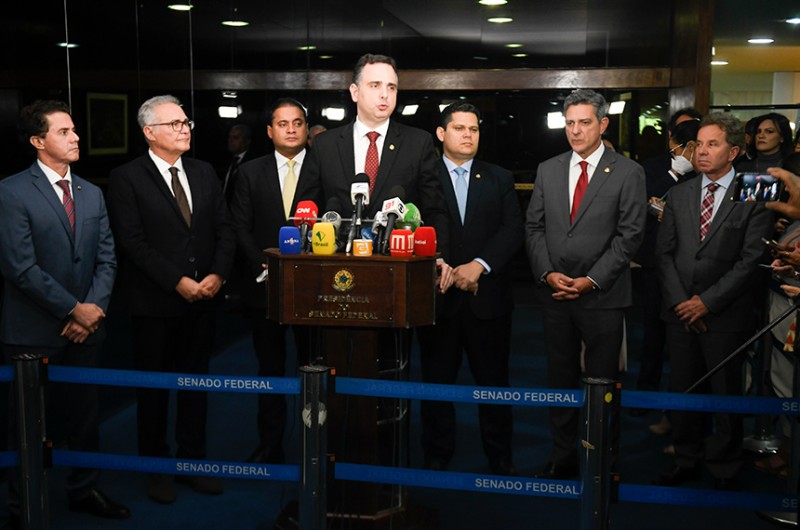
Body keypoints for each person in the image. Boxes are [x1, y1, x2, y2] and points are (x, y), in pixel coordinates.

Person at [0, 100, 129, 522]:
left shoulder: (91, 192)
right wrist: (75, 309)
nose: (76, 138)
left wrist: (91, 311)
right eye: (64, 132)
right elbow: (20, 267)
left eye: (74, 130)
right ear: (38, 142)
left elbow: (107, 259)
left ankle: (84, 489)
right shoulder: (11, 191)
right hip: (33, 330)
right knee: (25, 425)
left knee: (85, 419)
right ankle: (22, 505)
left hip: (87, 329)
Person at [107, 95, 235, 504]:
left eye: (186, 123)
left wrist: (217, 274)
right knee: (155, 391)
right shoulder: (127, 177)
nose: (185, 129)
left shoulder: (204, 170)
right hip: (155, 303)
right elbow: (132, 242)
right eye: (175, 124)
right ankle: (157, 470)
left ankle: (193, 463)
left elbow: (224, 228)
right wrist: (176, 280)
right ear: (150, 133)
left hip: (204, 300)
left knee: (196, 387)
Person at [525, 89, 647, 479]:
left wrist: (591, 280)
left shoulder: (628, 171)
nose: (575, 131)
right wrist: (547, 273)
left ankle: (601, 462)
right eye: (570, 123)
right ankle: (563, 456)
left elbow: (630, 235)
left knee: (602, 384)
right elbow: (534, 227)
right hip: (556, 294)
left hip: (604, 297)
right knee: (559, 381)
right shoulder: (548, 168)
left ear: (603, 124)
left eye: (585, 122)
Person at [653, 112, 773, 490]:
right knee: (684, 389)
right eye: (699, 144)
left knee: (725, 392)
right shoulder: (683, 190)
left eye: (712, 144)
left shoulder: (756, 187)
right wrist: (682, 302)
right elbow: (664, 254)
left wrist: (706, 303)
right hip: (680, 311)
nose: (702, 152)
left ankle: (724, 465)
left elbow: (751, 260)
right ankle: (685, 458)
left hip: (725, 313)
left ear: (734, 150)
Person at [416, 102, 523, 476]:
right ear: (441, 134)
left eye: (474, 129)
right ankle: (437, 453)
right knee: (436, 384)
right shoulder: (422, 178)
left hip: (487, 299)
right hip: (438, 299)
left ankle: (499, 455)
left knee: (495, 383)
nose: (467, 135)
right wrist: (439, 263)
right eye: (459, 128)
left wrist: (479, 266)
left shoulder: (499, 177)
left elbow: (512, 230)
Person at [297, 53, 452, 285]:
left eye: (391, 87)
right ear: (355, 92)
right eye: (375, 85)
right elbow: (305, 209)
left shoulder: (418, 143)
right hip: (333, 270)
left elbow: (434, 210)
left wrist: (439, 256)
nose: (384, 94)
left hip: (398, 272)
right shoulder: (324, 144)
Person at [229, 97, 311, 464]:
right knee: (270, 371)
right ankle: (271, 444)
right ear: (269, 131)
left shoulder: (324, 168)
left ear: (306, 129)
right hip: (265, 287)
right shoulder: (251, 172)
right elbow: (239, 227)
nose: (291, 129)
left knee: (315, 368)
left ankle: (315, 444)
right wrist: (265, 265)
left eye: (297, 123)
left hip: (314, 289)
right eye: (283, 123)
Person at [632, 119, 700, 405]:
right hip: (654, 261)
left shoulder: (704, 173)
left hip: (690, 262)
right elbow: (643, 201)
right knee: (653, 330)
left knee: (685, 336)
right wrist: (673, 174)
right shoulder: (653, 166)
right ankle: (646, 393)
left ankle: (678, 406)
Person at [220, 123, 256, 205]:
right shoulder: (228, 160)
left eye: (235, 138)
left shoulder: (252, 163)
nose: (231, 141)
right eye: (230, 137)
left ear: (246, 141)